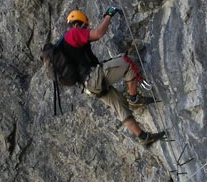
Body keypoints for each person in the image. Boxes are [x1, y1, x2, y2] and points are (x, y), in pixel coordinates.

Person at [62, 8, 167, 146]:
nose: (86, 29)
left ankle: (143, 137)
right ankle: (134, 97)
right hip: (93, 77)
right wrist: (108, 15)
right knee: (128, 61)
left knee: (119, 105)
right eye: (84, 26)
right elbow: (98, 33)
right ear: (76, 25)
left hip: (88, 86)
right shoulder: (73, 33)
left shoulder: (65, 44)